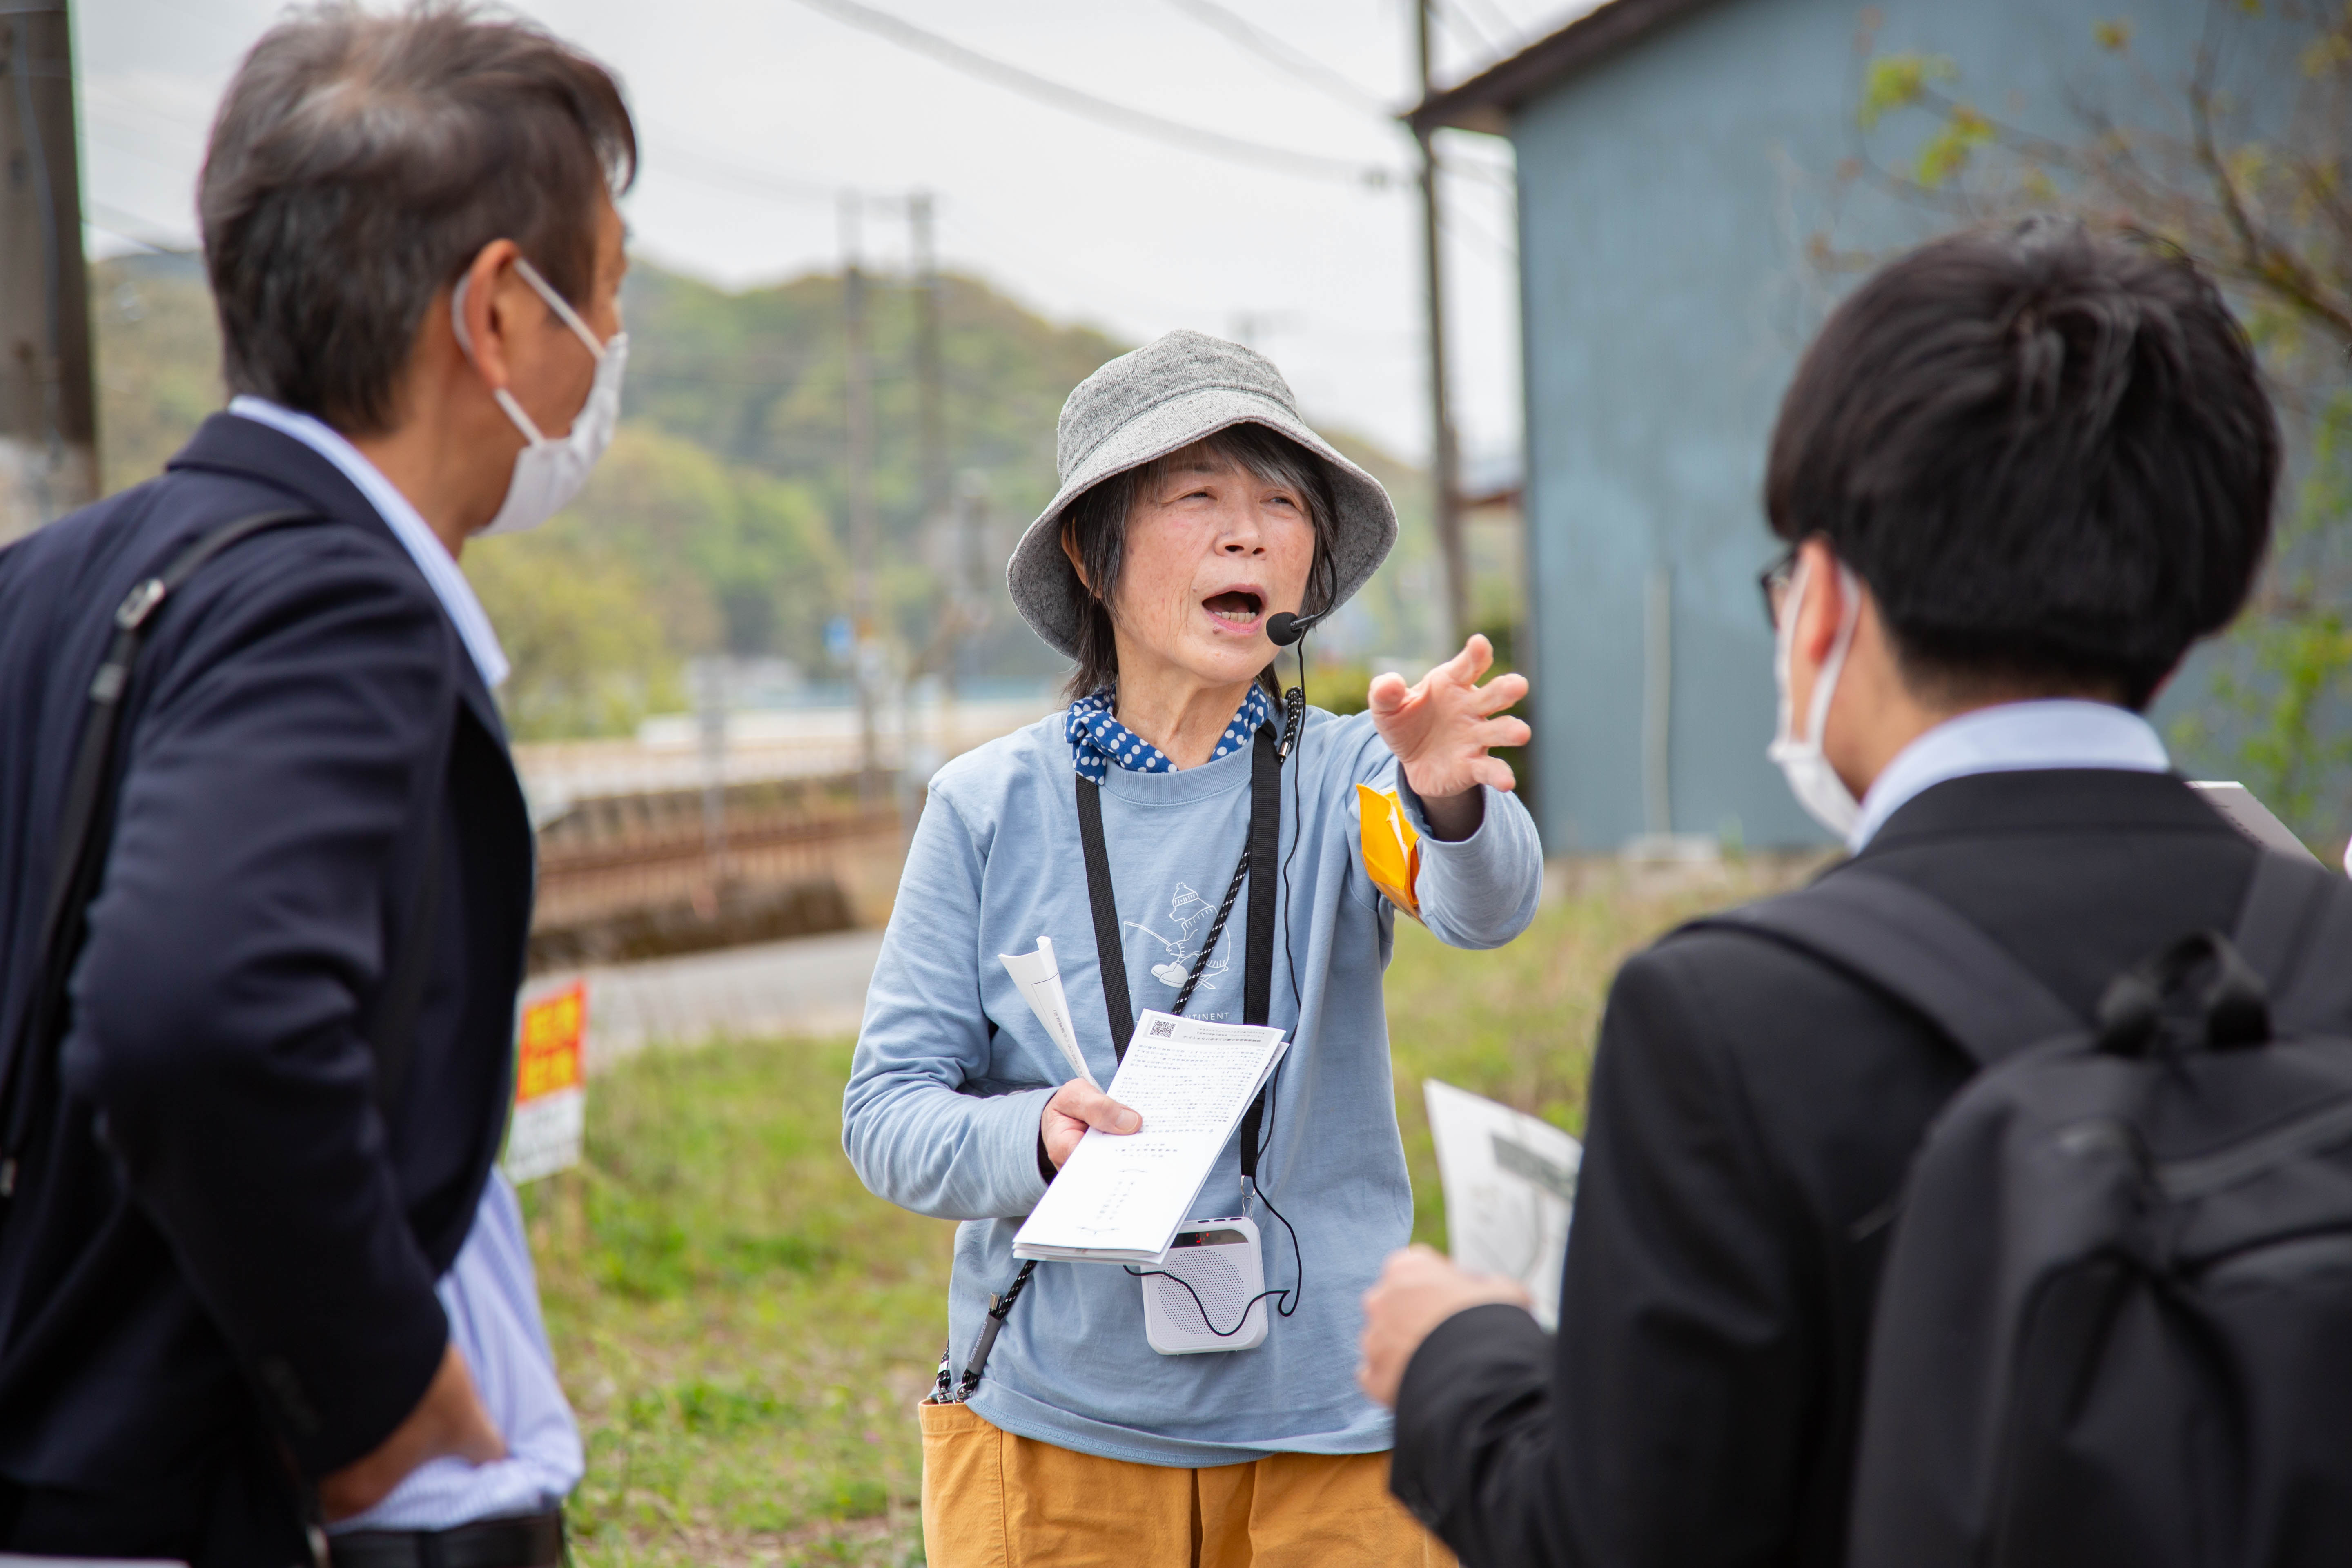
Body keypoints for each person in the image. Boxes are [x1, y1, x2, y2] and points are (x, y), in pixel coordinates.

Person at [1357, 220, 2302, 1564]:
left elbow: (1619, 1537)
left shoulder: (1728, 1018)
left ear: (1822, 608)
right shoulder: (2318, 953)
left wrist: (1459, 1359)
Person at [0, 7, 635, 1563]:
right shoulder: (336, 603)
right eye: (602, 303)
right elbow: (200, 1016)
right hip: (199, 1499)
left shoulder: (43, 584)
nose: (608, 358)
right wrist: (377, 1403)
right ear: (497, 313)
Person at [844, 329, 1545, 1566]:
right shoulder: (986, 807)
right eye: (1197, 500)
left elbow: (1483, 905)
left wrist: (1451, 798)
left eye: (1282, 504)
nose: (1250, 533)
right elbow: (887, 1117)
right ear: (1092, 550)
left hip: (1336, 1424)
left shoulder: (1351, 779)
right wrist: (1035, 1136)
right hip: (1065, 1424)